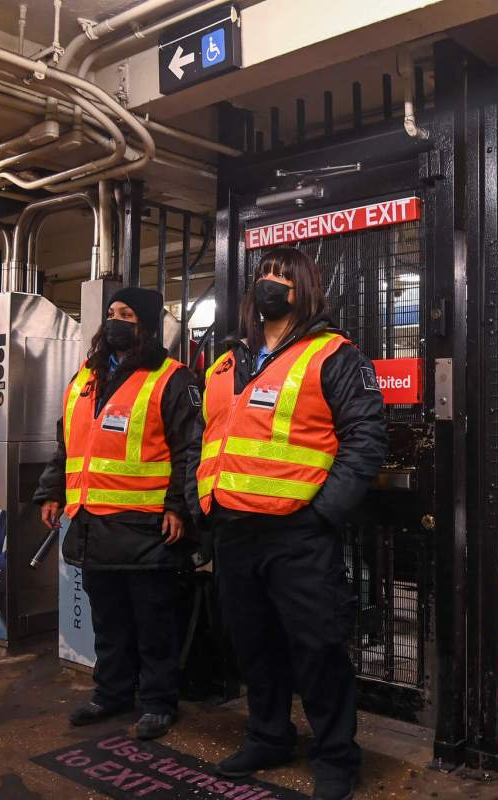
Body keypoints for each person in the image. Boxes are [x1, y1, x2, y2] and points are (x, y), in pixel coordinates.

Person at [195, 248, 387, 800]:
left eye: (283, 276)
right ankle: (268, 736)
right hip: (233, 531)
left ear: (304, 289)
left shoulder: (335, 355)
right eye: (265, 276)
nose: (271, 284)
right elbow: (206, 439)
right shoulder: (228, 361)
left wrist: (322, 512)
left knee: (318, 648)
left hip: (297, 534)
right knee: (253, 645)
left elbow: (366, 438)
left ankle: (336, 757)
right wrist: (201, 500)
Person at [34, 287, 201, 741]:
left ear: (145, 324)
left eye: (126, 314)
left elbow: (190, 451)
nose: (115, 321)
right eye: (111, 313)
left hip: (148, 527)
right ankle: (111, 693)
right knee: (108, 620)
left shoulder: (172, 379)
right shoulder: (85, 378)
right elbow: (68, 445)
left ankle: (158, 702)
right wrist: (51, 492)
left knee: (153, 622)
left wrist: (178, 507)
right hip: (93, 523)